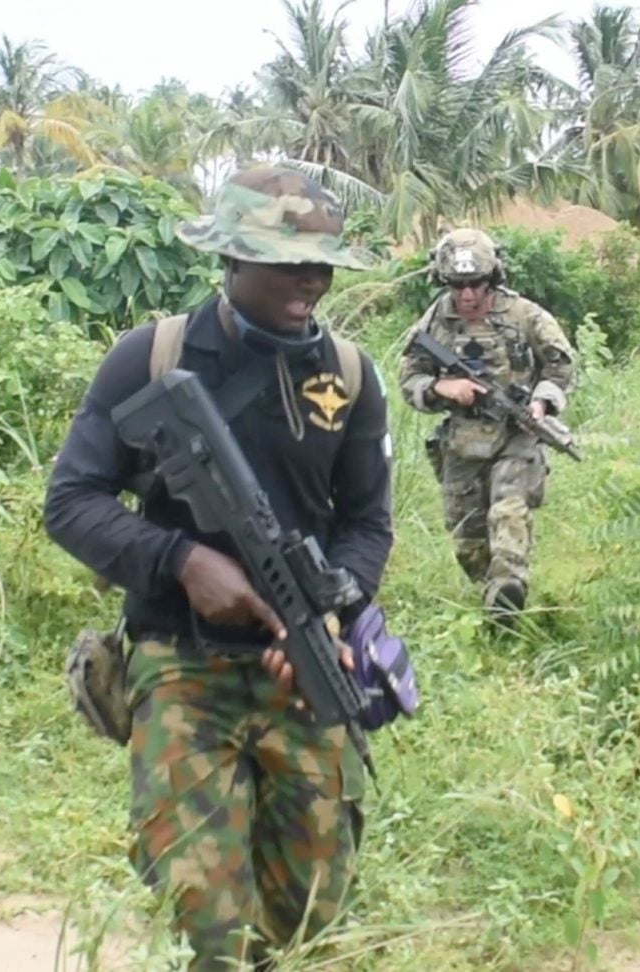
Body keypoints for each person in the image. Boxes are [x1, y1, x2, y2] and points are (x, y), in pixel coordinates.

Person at [43, 166, 393, 970]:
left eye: (321, 264)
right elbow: (71, 500)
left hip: (299, 674)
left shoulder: (349, 374)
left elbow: (368, 523)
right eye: (286, 262)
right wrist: (180, 560)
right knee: (207, 921)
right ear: (230, 258)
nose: (311, 280)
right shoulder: (152, 356)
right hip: (182, 668)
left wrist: (332, 606)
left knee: (311, 915)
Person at [397, 227, 577, 622]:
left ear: (491, 278)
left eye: (476, 284)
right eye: (457, 285)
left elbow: (562, 366)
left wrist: (542, 402)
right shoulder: (436, 321)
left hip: (517, 436)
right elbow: (410, 377)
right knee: (467, 538)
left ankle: (508, 588)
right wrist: (443, 387)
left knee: (508, 511)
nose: (467, 295)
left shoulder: (524, 315)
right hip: (462, 441)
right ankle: (494, 600)